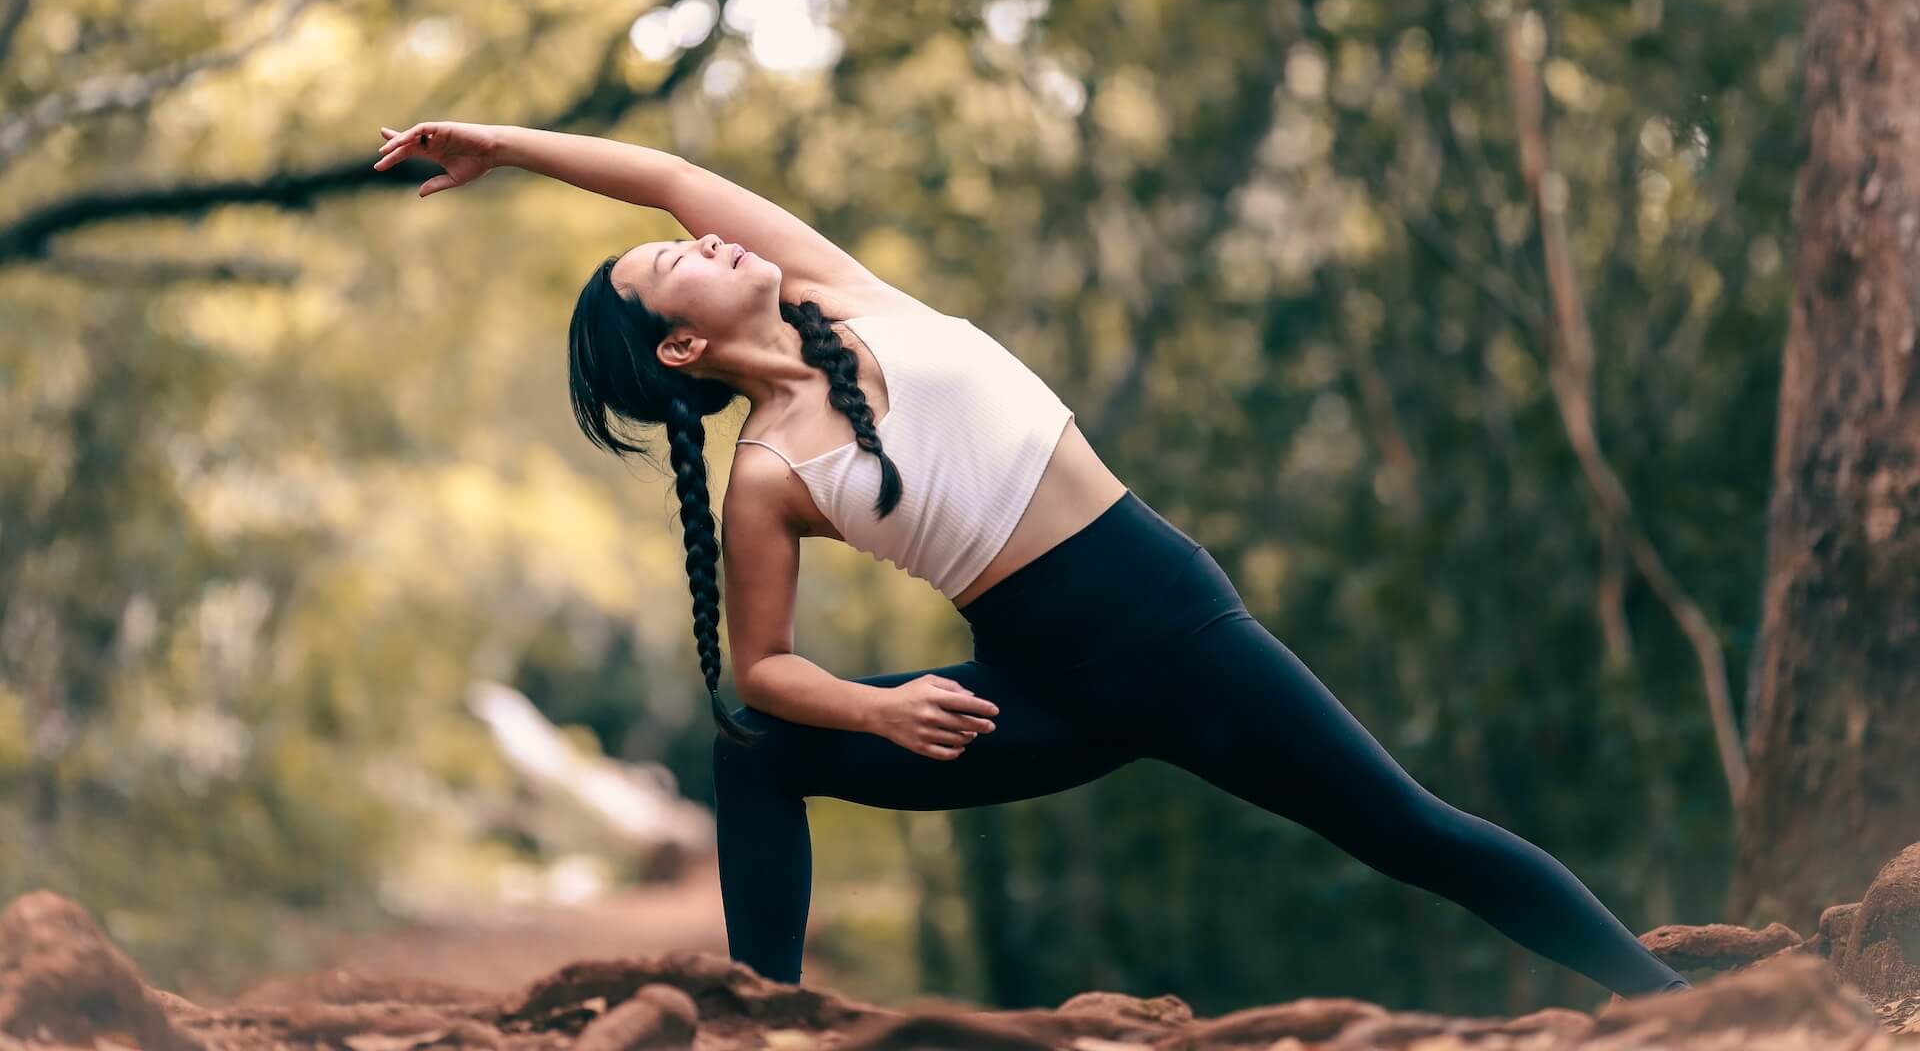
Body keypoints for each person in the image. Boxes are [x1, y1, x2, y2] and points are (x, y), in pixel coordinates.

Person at [373, 121, 1694, 1001]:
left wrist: (500, 144)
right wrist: (881, 706)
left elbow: (659, 173)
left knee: (1414, 832)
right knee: (748, 750)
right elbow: (764, 672)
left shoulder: (838, 293)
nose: (706, 235)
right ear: (677, 350)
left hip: (1178, 632)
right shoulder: (769, 473)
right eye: (677, 266)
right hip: (1040, 695)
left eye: (694, 237)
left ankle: (1686, 1012)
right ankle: (756, 1021)